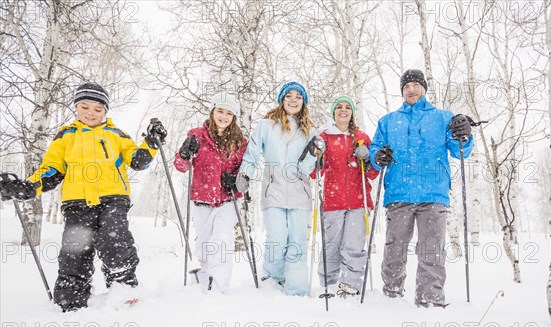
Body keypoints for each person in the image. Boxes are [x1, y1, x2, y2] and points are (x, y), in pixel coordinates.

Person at [0, 83, 167, 312]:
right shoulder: (66, 136)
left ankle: (124, 288)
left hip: (113, 199)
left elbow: (137, 161)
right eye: (85, 106)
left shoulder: (116, 134)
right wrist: (28, 187)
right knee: (74, 252)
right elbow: (52, 170)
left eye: (98, 109)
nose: (91, 113)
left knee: (115, 241)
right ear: (76, 107)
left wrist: (150, 143)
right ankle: (71, 301)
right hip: (77, 204)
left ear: (105, 111)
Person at [369, 69, 474, 307]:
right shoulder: (388, 121)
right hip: (398, 193)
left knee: (431, 250)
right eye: (407, 86)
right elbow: (375, 152)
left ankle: (430, 299)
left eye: (416, 85)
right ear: (402, 92)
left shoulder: (443, 117)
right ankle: (391, 295)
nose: (412, 89)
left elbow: (461, 151)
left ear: (424, 89)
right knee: (395, 249)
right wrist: (379, 156)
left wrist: (465, 135)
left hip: (433, 194)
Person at [239, 81, 319, 296]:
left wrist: (314, 154)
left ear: (303, 102)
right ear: (282, 100)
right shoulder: (266, 125)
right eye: (289, 96)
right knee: (277, 237)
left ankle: (297, 289)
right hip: (272, 191)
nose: (293, 100)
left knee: (297, 243)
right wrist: (245, 174)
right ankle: (273, 280)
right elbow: (252, 153)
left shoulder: (311, 131)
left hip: (299, 192)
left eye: (298, 97)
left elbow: (307, 168)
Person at [173, 93, 247, 293]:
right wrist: (184, 153)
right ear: (212, 111)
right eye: (220, 111)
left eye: (229, 113)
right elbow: (180, 166)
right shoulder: (196, 135)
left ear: (234, 118)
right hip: (202, 199)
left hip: (227, 200)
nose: (223, 116)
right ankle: (205, 277)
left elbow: (246, 174)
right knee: (204, 244)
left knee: (221, 240)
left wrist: (237, 180)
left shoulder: (240, 142)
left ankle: (219, 285)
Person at [310, 96, 379, 297]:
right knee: (332, 244)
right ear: (333, 112)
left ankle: (351, 283)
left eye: (347, 107)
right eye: (339, 107)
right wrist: (317, 156)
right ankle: (328, 283)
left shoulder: (361, 137)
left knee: (354, 245)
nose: (343, 110)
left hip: (359, 200)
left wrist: (367, 158)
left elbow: (373, 173)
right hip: (333, 200)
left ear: (352, 112)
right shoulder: (324, 137)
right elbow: (314, 173)